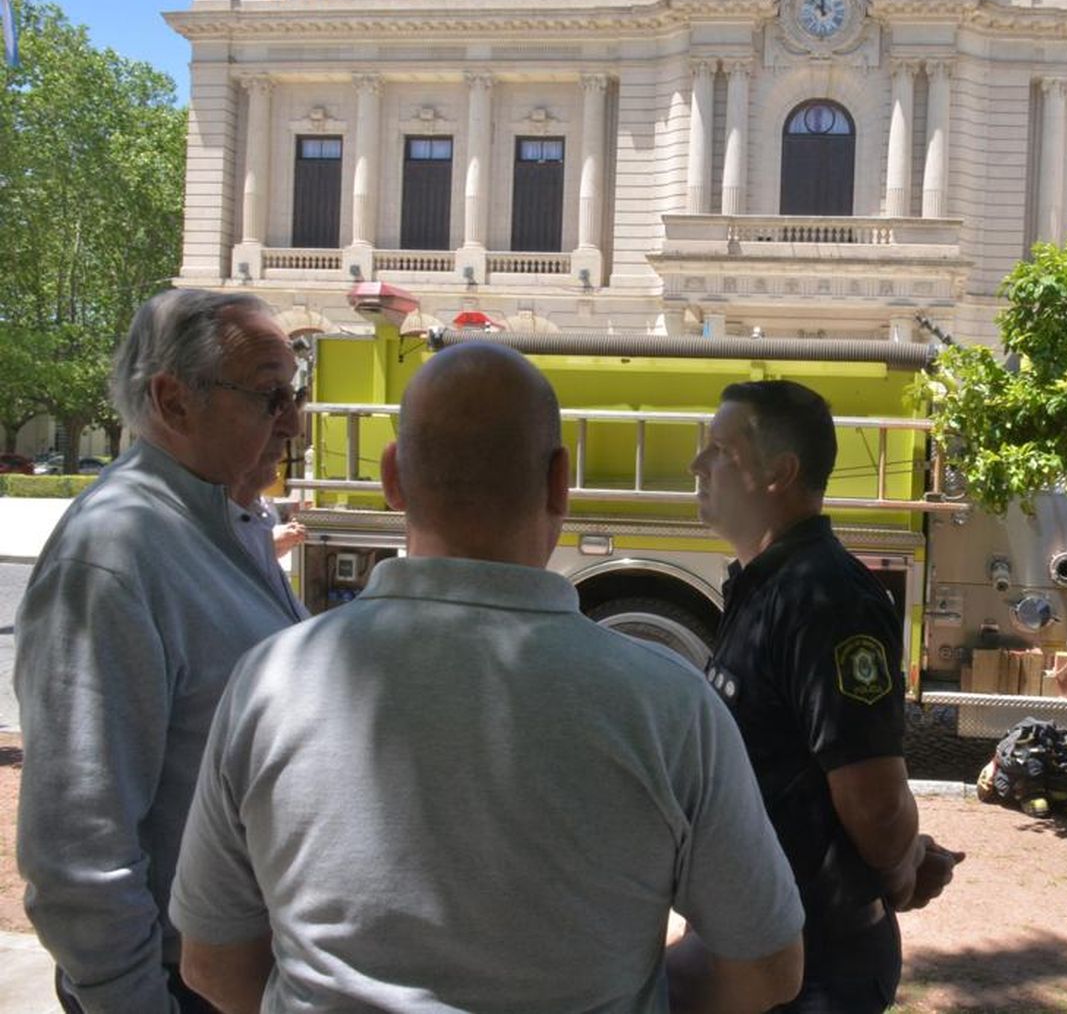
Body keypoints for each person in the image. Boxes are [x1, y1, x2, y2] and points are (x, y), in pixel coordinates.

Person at [169, 343, 805, 1013]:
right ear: (560, 481)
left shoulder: (269, 683)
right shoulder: (672, 707)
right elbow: (765, 968)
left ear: (392, 477)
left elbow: (212, 963)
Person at [14, 289, 307, 1013]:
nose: (293, 422)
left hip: (236, 971)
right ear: (174, 401)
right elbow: (77, 847)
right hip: (177, 985)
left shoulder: (225, 517)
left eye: (293, 394)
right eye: (271, 397)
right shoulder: (115, 554)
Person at [690, 379, 964, 1013]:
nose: (697, 465)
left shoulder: (826, 599)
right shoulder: (768, 585)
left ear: (778, 474)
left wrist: (899, 870)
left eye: (720, 451)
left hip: (819, 969)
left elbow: (875, 803)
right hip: (762, 949)